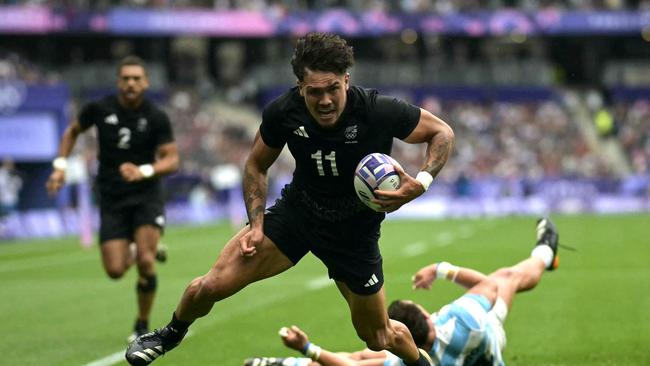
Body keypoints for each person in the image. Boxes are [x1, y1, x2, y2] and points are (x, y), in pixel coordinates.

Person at [125, 32, 454, 366]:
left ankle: (420, 362)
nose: (325, 100)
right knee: (210, 285)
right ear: (300, 87)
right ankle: (167, 334)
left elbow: (441, 132)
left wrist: (423, 181)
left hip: (354, 233)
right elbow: (255, 165)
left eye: (332, 89)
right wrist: (256, 224)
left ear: (346, 81)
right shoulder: (284, 112)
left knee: (377, 336)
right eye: (314, 92)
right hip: (299, 214)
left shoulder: (376, 109)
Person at [244, 217, 561, 366]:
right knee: (507, 278)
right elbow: (488, 285)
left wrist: (308, 349)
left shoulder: (404, 361)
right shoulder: (463, 320)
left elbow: (353, 365)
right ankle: (546, 252)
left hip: (467, 357)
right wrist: (441, 269)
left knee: (362, 357)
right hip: (487, 336)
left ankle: (283, 365)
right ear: (427, 314)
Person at [46, 55, 179, 341]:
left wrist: (143, 170)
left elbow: (172, 160)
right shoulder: (98, 108)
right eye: (126, 78)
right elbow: (71, 132)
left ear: (145, 82)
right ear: (118, 82)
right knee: (115, 270)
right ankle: (142, 248)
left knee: (145, 262)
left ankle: (142, 325)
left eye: (136, 78)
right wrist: (59, 167)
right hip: (112, 197)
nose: (131, 83)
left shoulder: (156, 116)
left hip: (146, 195)